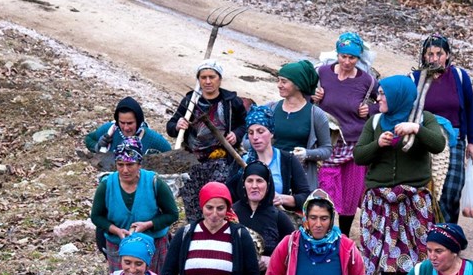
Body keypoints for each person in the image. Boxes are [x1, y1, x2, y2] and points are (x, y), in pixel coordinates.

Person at [353, 75, 446, 275]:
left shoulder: (423, 119)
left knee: (411, 254)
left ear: (397, 97)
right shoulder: (374, 122)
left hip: (413, 201)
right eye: (379, 94)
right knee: (378, 251)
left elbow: (438, 144)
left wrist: (416, 129)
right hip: (379, 200)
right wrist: (378, 144)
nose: (378, 98)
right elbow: (359, 155)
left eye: (383, 94)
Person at [311, 32, 379, 236]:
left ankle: (345, 236)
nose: (347, 61)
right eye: (343, 56)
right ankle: (324, 234)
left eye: (352, 58)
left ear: (359, 59)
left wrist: (370, 110)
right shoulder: (322, 73)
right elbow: (302, 94)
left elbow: (385, 102)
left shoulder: (367, 80)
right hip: (327, 143)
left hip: (353, 145)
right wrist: (313, 95)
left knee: (350, 196)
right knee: (325, 192)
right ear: (337, 54)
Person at [166, 60, 248, 223]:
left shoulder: (231, 102)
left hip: (219, 161)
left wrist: (236, 135)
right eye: (203, 77)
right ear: (199, 80)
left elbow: (245, 123)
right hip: (190, 163)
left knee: (215, 204)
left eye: (212, 77)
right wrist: (178, 125)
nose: (208, 81)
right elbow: (170, 126)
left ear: (220, 79)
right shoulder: (190, 101)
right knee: (193, 207)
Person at [411, 35, 473, 224]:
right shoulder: (415, 78)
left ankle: (447, 236)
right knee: (426, 190)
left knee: (451, 190)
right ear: (424, 56)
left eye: (439, 54)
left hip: (454, 140)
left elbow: (470, 108)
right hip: (425, 141)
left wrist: (472, 141)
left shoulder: (459, 77)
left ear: (447, 55)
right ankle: (425, 237)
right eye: (430, 54)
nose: (434, 58)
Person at [90, 139, 179, 273]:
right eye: (120, 164)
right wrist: (116, 230)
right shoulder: (107, 185)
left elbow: (172, 214)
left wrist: (148, 225)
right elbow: (97, 217)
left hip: (153, 244)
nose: (125, 170)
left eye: (130, 164)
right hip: (118, 244)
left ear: (139, 164)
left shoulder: (154, 183)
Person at [230, 104, 310, 217]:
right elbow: (229, 194)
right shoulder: (242, 161)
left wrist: (282, 199)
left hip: (277, 220)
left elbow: (306, 197)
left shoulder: (287, 160)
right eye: (251, 132)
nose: (255, 137)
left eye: (260, 131)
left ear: (271, 133)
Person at [269, 60, 332, 189]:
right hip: (270, 174)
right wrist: (263, 143)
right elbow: (247, 141)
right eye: (278, 80)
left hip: (299, 178)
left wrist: (307, 153)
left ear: (298, 84)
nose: (279, 85)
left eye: (284, 81)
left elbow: (327, 150)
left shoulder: (316, 114)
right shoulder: (270, 109)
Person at [84, 96, 171, 154]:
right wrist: (98, 145)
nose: (126, 128)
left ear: (138, 121)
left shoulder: (151, 138)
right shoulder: (110, 130)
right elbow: (89, 139)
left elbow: (171, 155)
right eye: (122, 123)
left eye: (130, 123)